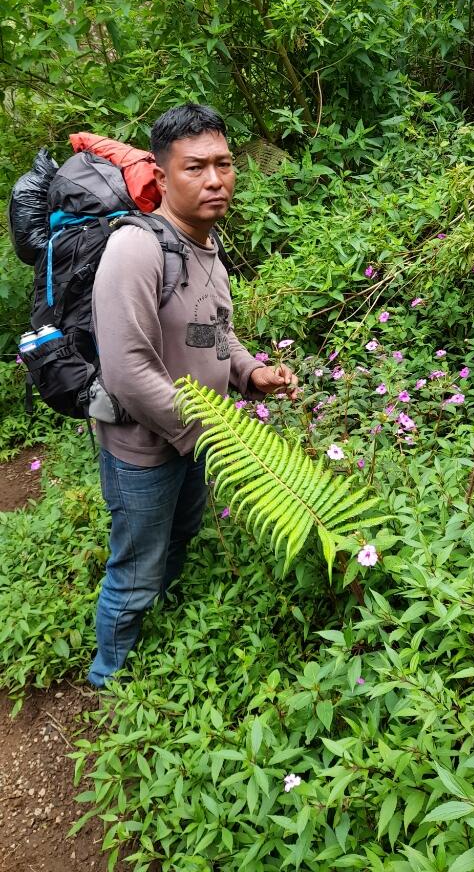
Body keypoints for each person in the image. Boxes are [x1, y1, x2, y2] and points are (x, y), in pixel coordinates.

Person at [88, 103, 296, 688]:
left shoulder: (206, 249)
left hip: (199, 440)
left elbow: (214, 333)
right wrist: (212, 429)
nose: (215, 180)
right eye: (195, 167)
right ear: (160, 176)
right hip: (145, 449)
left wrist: (251, 373)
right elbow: (128, 370)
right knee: (135, 565)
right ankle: (109, 677)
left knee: (180, 538)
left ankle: (163, 629)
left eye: (224, 164)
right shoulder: (136, 251)